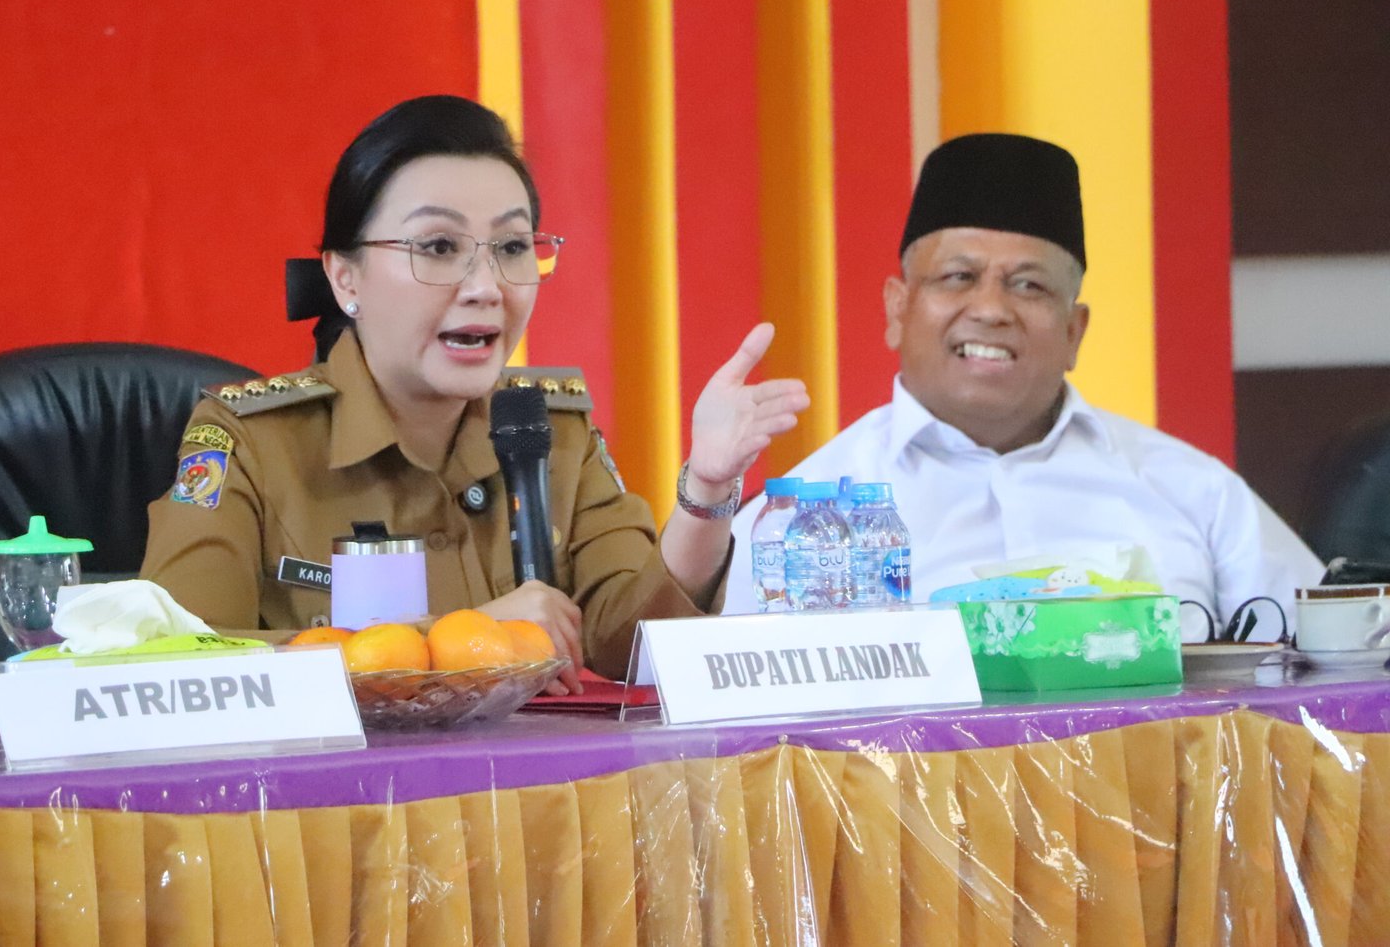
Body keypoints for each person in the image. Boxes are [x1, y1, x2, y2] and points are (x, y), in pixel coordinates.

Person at [142, 95, 809, 685]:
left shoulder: (548, 430)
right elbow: (178, 663)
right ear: (346, 279)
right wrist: (465, 638)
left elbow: (630, 646)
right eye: (438, 246)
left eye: (513, 247)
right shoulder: (250, 443)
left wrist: (707, 493)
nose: (486, 286)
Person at [726, 132, 1320, 633]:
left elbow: (1333, 664)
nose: (991, 310)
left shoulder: (1194, 493)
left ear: (1074, 331)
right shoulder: (800, 515)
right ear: (897, 309)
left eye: (1029, 285)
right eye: (958, 277)